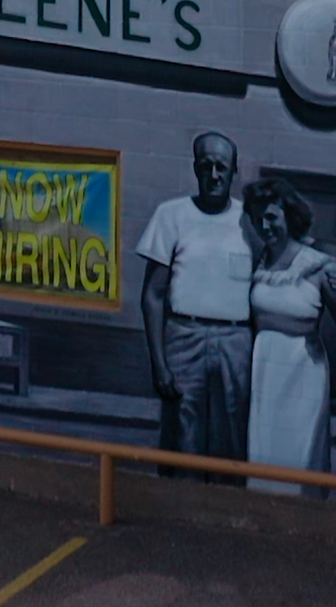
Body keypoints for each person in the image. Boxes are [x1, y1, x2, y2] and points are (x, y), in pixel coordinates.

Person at [136, 132, 256, 481]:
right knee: (181, 433)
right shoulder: (171, 215)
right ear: (195, 168)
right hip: (184, 337)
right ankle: (178, 511)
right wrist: (159, 364)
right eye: (207, 166)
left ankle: (223, 516)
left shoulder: (249, 220)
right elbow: (152, 296)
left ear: (235, 171)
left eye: (222, 167)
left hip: (236, 341)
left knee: (232, 435)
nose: (214, 175)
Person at [240, 176, 336, 497]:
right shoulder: (259, 261)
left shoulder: (318, 263)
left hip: (302, 372)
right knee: (263, 458)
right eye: (257, 218)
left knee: (299, 457)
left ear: (288, 215)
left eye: (271, 217)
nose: (264, 226)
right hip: (264, 372)